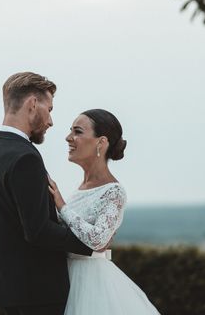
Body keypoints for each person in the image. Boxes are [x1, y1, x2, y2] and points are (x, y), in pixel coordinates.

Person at [0, 72, 93, 315]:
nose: (50, 121)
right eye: (49, 109)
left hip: (11, 290)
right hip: (40, 292)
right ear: (31, 104)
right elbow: (38, 230)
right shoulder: (25, 156)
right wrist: (90, 244)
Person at [47, 109, 161, 314]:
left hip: (93, 283)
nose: (68, 138)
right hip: (65, 280)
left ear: (101, 143)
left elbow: (98, 240)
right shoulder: (79, 190)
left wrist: (62, 207)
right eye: (70, 131)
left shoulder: (114, 191)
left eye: (78, 132)